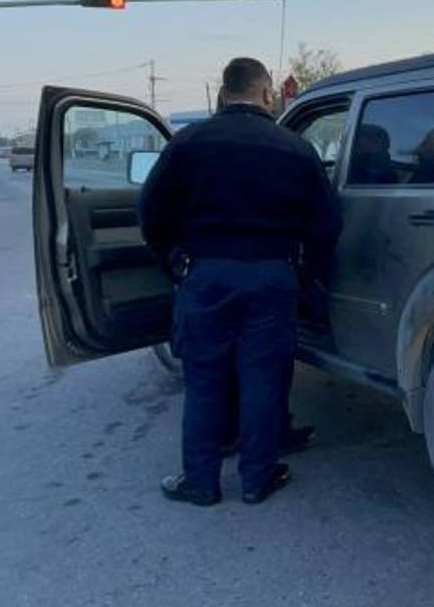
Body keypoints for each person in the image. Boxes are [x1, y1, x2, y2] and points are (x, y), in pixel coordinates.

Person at [139, 57, 342, 506]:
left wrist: (173, 261)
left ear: (222, 94)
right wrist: (303, 273)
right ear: (268, 95)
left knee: (205, 380)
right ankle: (257, 479)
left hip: (207, 276)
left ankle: (201, 483)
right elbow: (327, 224)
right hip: (273, 277)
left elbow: (150, 212)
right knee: (264, 379)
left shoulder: (189, 143)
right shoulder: (295, 149)